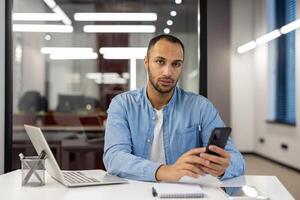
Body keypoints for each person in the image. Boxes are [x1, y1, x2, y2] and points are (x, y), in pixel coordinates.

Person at [103, 34, 245, 182]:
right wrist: (165, 171)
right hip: (137, 190)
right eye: (160, 61)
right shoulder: (122, 104)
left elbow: (237, 160)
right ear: (146, 62)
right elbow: (114, 157)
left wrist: (223, 168)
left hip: (185, 193)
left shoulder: (200, 107)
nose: (168, 72)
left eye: (176, 64)